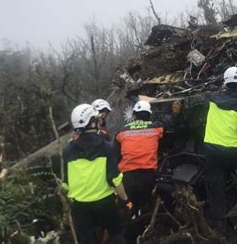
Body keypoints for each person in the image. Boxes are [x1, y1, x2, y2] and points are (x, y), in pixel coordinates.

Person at [63, 104, 128, 244]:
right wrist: (124, 198)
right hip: (104, 203)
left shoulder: (68, 150)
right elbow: (114, 178)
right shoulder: (106, 147)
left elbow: (66, 181)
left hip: (80, 207)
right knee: (117, 233)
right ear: (92, 122)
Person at [203, 66, 237, 233]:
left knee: (216, 184)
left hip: (211, 151)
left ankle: (219, 224)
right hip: (232, 153)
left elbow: (209, 93)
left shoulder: (212, 98)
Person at [115, 100, 164, 215]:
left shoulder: (122, 130)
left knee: (128, 202)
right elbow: (167, 126)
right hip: (147, 176)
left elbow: (116, 152)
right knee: (145, 203)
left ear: (134, 114)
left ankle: (130, 212)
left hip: (127, 177)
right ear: (149, 114)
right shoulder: (156, 128)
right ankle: (143, 221)